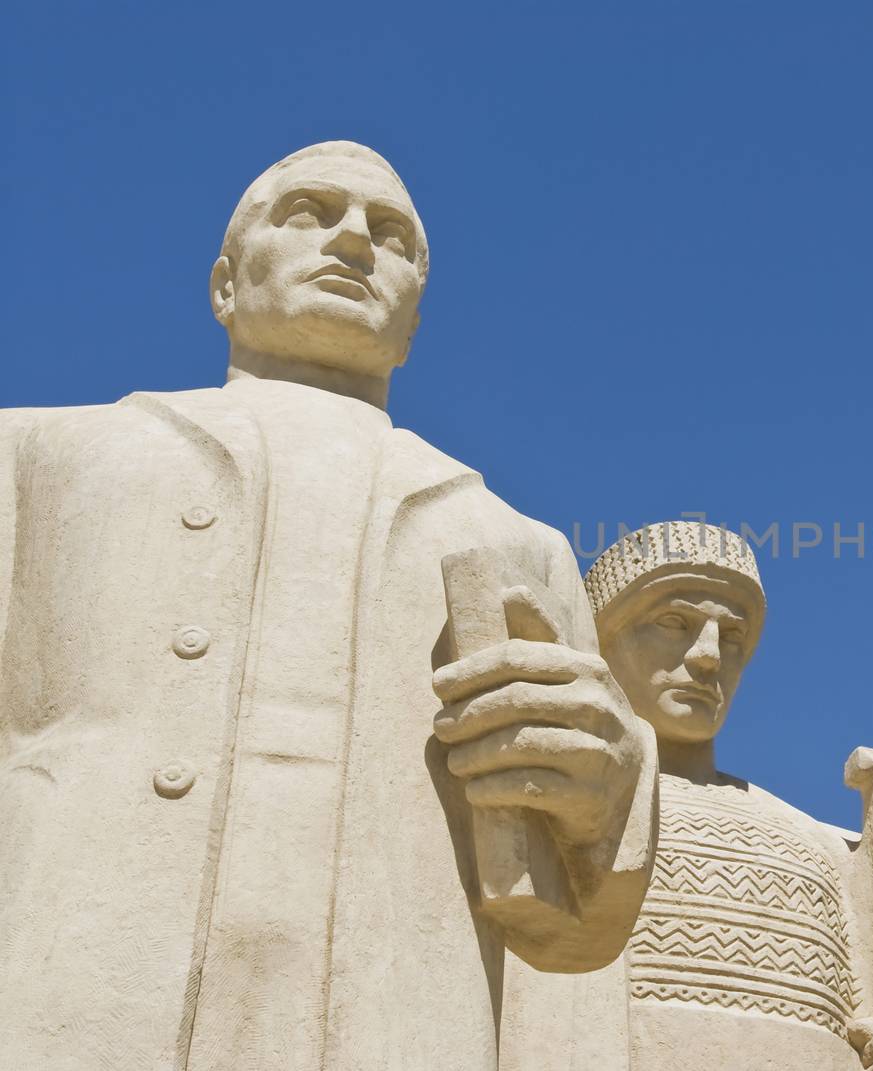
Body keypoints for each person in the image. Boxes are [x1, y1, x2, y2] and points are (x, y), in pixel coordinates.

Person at [0, 141, 655, 1069]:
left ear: (415, 325)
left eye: (391, 236)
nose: (353, 240)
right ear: (226, 283)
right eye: (309, 213)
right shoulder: (33, 457)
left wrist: (608, 794)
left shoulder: (520, 542)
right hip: (68, 979)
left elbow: (566, 942)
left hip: (397, 1013)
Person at [584, 521, 873, 1070]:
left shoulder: (828, 851)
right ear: (598, 636)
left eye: (734, 634)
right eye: (674, 621)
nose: (709, 656)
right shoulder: (564, 815)